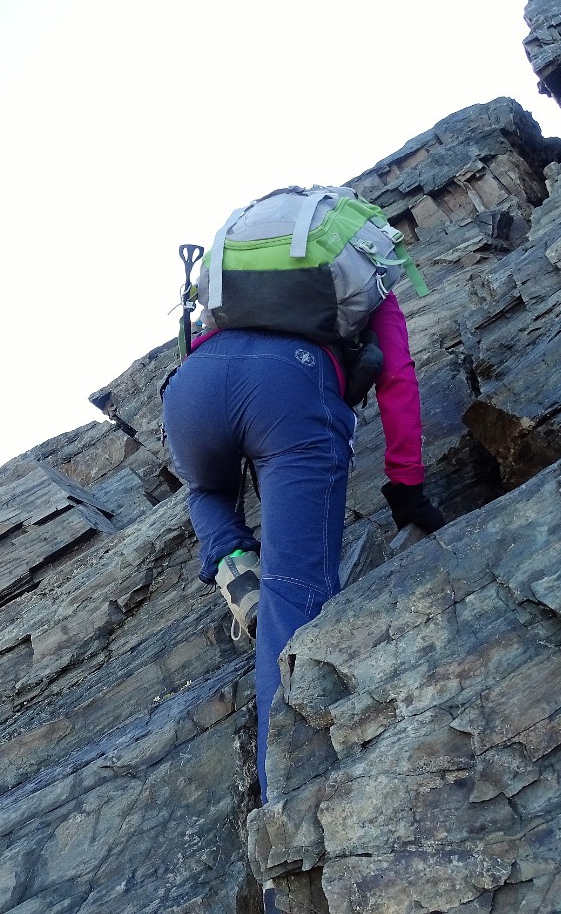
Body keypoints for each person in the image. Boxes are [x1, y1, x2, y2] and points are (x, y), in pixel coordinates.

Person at [160, 228, 443, 806]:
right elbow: (397, 378)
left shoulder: (245, 274)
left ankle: (233, 558)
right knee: (294, 596)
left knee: (207, 490)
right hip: (292, 386)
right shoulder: (365, 276)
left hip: (192, 386)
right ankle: (286, 810)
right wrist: (407, 488)